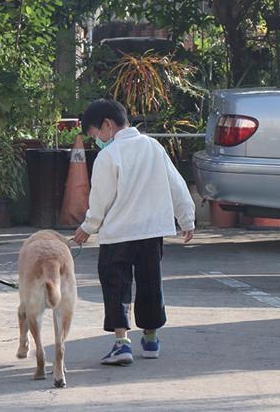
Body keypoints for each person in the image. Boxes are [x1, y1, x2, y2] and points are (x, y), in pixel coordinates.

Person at [73, 99, 195, 365]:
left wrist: (87, 227)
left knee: (116, 284)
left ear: (107, 125)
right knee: (150, 283)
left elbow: (101, 200)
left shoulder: (108, 156)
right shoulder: (153, 146)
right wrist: (186, 218)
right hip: (151, 232)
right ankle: (150, 340)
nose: (97, 141)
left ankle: (122, 344)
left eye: (95, 135)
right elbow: (176, 184)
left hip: (118, 234)